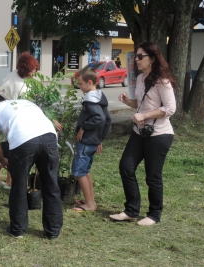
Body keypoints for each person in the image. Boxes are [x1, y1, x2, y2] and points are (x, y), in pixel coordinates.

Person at [110, 42, 176, 226]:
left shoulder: (162, 81)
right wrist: (128, 101)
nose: (136, 60)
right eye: (136, 56)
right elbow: (140, 105)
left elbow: (171, 108)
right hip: (139, 132)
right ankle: (131, 210)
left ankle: (154, 215)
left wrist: (144, 115)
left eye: (141, 56)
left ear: (152, 59)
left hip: (159, 134)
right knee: (126, 167)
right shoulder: (140, 79)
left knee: (152, 176)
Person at [0, 94, 63, 239]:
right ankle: (53, 231)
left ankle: (17, 230)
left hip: (24, 142)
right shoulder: (25, 102)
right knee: (51, 184)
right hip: (49, 137)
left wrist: (4, 161)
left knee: (19, 186)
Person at [0, 52, 39, 189]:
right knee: (14, 149)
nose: (35, 72)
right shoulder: (16, 83)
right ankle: (9, 182)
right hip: (15, 118)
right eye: (33, 69)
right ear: (25, 68)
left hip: (15, 117)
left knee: (12, 148)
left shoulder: (18, 76)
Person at [71, 68, 111, 212]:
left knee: (79, 171)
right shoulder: (100, 97)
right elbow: (107, 120)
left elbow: (99, 118)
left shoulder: (90, 99)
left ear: (89, 82)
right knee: (85, 170)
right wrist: (101, 138)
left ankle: (89, 205)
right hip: (94, 140)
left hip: (86, 141)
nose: (79, 87)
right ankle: (90, 201)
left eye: (81, 84)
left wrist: (83, 128)